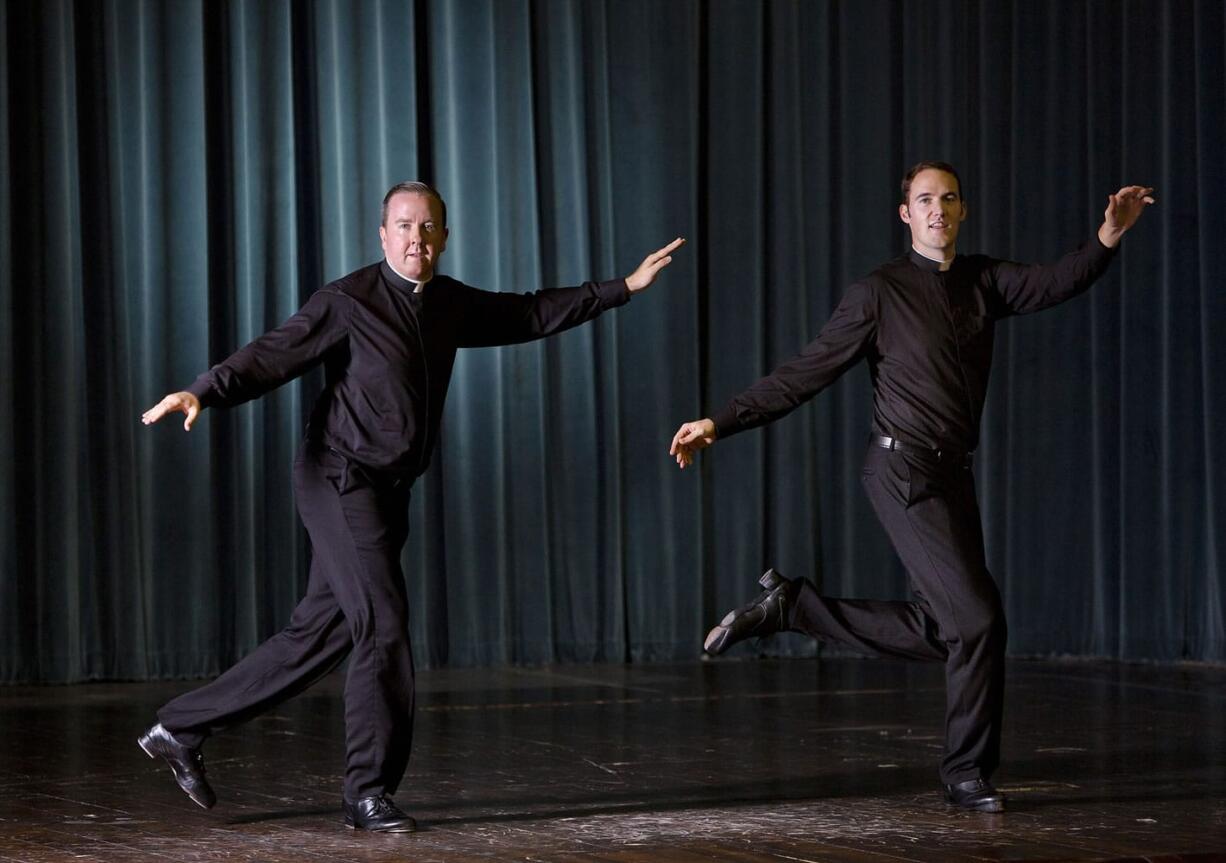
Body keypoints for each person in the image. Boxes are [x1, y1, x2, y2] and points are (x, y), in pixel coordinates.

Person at [139, 180, 684, 832]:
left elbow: (530, 312)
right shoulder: (346, 301)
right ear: (381, 235)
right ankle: (367, 791)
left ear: (445, 237)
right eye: (403, 226)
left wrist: (621, 286)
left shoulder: (448, 304)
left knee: (320, 633)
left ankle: (179, 726)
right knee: (386, 626)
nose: (415, 239)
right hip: (339, 478)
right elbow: (270, 355)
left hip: (388, 490)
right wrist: (205, 390)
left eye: (427, 228)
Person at [669, 162, 1153, 813]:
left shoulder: (984, 279)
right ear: (906, 214)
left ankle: (795, 607)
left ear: (962, 210)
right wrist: (717, 421)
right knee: (980, 621)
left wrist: (1107, 236)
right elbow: (801, 374)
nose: (937, 210)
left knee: (946, 626)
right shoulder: (878, 293)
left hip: (950, 473)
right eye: (925, 200)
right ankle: (964, 771)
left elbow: (1053, 282)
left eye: (948, 199)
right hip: (902, 472)